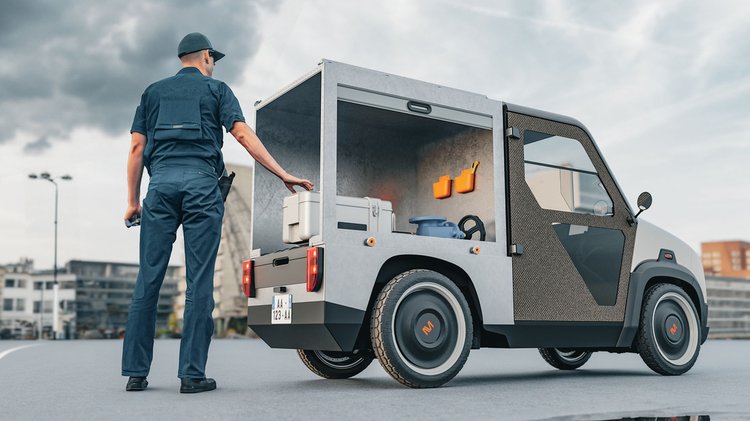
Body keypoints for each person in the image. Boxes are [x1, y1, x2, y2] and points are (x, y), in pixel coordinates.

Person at [122, 32, 313, 393]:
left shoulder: (152, 92)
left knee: (148, 280)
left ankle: (136, 374)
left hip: (159, 188)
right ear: (206, 56)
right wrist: (282, 172)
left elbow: (136, 147)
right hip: (201, 188)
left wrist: (133, 201)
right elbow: (242, 135)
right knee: (199, 283)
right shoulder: (217, 90)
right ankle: (192, 375)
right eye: (214, 58)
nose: (214, 64)